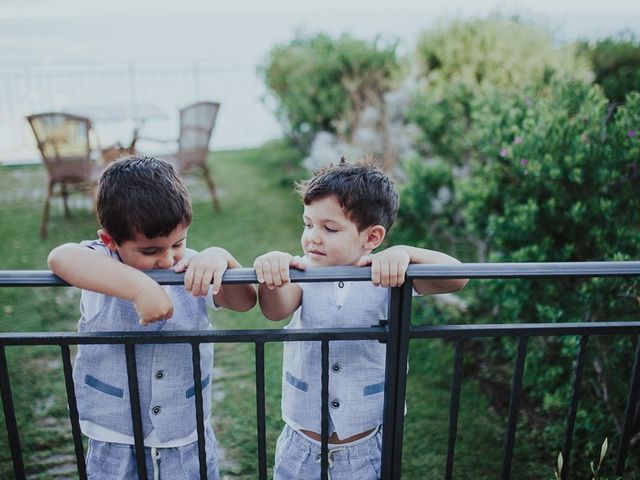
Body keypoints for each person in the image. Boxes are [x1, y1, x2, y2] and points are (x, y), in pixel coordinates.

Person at [253, 158, 468, 479]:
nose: (312, 237)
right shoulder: (302, 271)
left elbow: (458, 277)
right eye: (308, 224)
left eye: (329, 228)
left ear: (372, 237)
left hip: (365, 445)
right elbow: (275, 310)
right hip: (301, 442)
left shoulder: (389, 273)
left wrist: (406, 252)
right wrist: (273, 274)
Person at [48, 156, 256, 479]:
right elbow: (60, 258)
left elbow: (245, 302)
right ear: (110, 240)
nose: (167, 258)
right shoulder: (101, 259)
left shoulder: (191, 265)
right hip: (114, 433)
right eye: (150, 251)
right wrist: (138, 288)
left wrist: (221, 257)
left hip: (185, 432)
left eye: (178, 242)